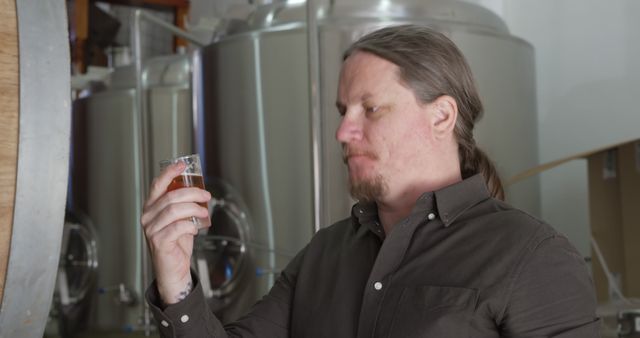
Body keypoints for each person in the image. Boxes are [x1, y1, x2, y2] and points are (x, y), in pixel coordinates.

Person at [141, 24, 600, 337]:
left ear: (441, 115)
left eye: (371, 109)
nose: (343, 132)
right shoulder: (322, 255)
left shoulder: (531, 255)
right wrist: (176, 281)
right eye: (343, 112)